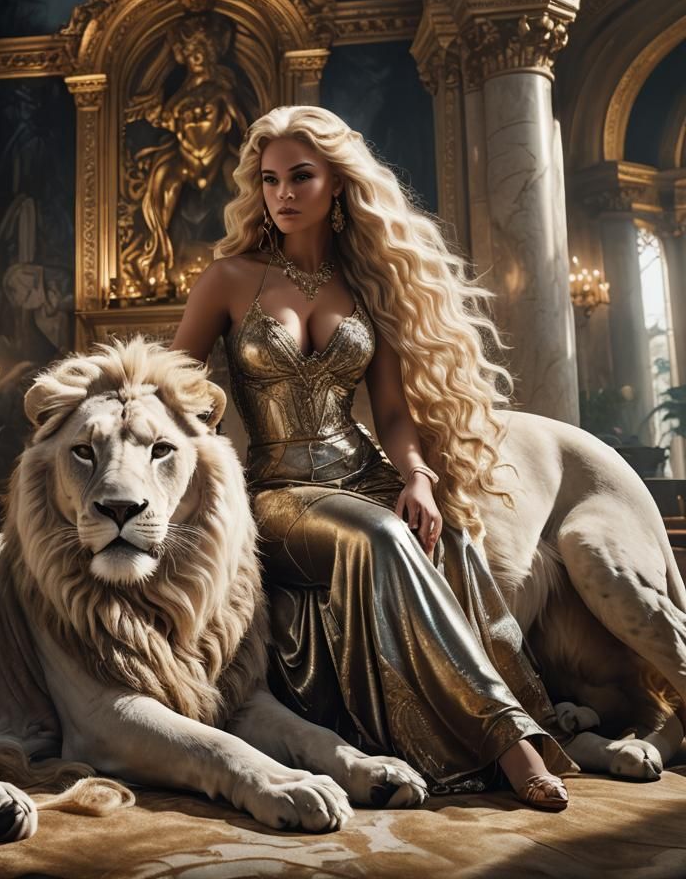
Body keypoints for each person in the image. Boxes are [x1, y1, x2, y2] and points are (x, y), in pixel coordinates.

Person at [171, 105, 573, 811]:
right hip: (279, 491)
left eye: (301, 176)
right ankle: (511, 746)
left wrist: (417, 477)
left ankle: (509, 720)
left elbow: (390, 415)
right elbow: (171, 388)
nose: (283, 194)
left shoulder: (366, 287)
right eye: (269, 180)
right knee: (384, 537)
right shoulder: (228, 278)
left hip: (365, 471)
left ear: (338, 185)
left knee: (443, 539)